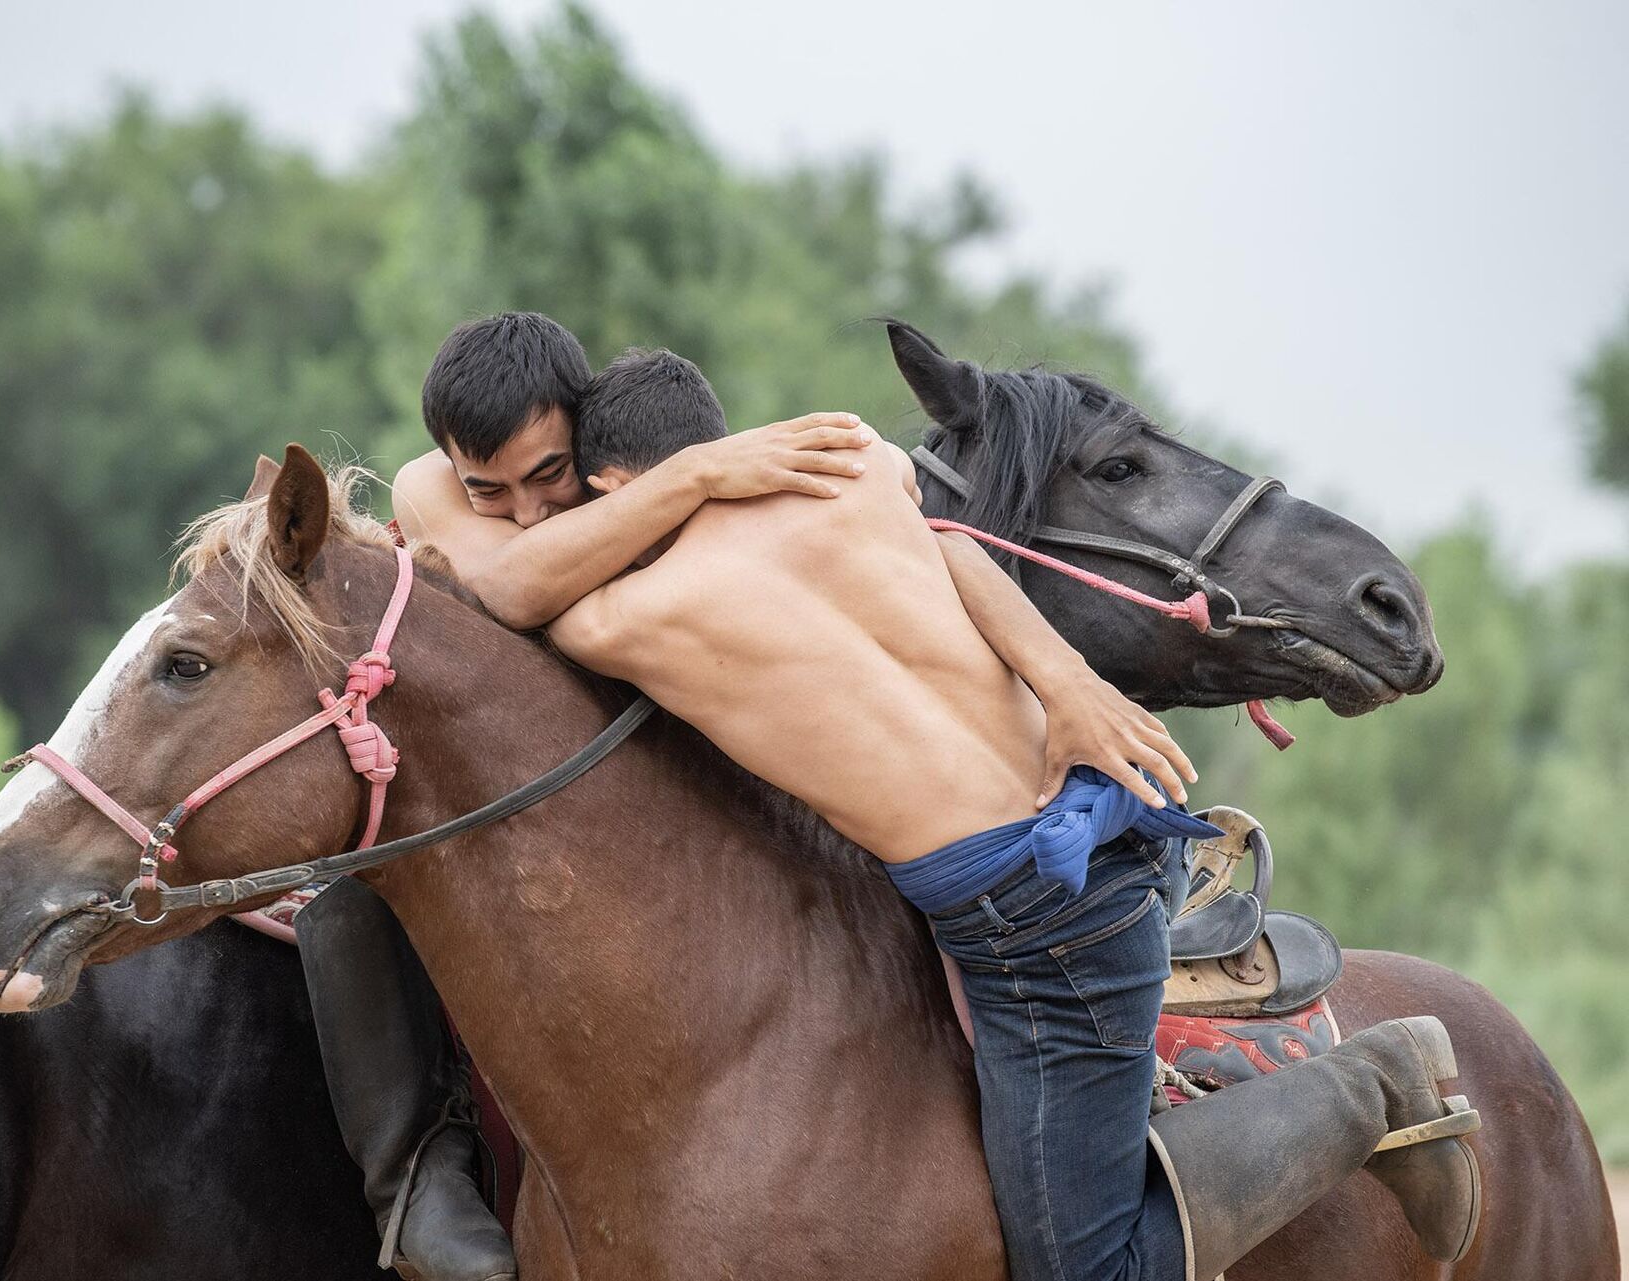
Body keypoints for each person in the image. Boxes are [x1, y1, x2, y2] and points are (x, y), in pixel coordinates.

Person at [513, 348, 1479, 1281]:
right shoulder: (858, 470)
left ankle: (1372, 1085)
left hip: (1047, 923)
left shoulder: (613, 622)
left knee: (1084, 1267)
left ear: (610, 488)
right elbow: (957, 547)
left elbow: (501, 588)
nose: (527, 516)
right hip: (1087, 845)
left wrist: (656, 495)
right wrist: (1061, 680)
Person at [295, 312, 885, 1281]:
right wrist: (698, 475)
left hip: (670, 786)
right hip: (490, 799)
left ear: (589, 435)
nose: (525, 511)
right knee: (349, 875)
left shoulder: (649, 470)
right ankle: (412, 1179)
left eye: (547, 477)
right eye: (488, 490)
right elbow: (513, 590)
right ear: (450, 469)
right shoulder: (427, 490)